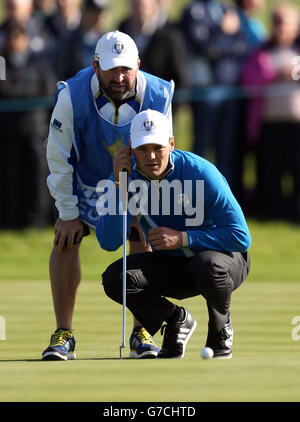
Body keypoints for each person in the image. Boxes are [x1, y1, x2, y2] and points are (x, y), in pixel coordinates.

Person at [42, 30, 174, 360]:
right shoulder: (71, 95)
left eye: (126, 69)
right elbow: (58, 156)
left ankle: (142, 330)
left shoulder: (159, 93)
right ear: (95, 65)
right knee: (65, 239)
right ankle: (64, 333)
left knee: (142, 237)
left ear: (138, 66)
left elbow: (162, 153)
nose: (120, 77)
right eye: (112, 69)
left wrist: (142, 201)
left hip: (134, 179)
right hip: (84, 181)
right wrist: (67, 211)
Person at [97, 109, 251, 359]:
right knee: (116, 278)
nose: (151, 156)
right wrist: (119, 184)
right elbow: (109, 241)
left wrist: (184, 238)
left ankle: (220, 329)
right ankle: (176, 320)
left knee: (206, 264)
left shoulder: (200, 172)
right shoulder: (125, 178)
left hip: (223, 262)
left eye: (158, 147)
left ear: (171, 144)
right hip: (174, 266)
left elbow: (240, 236)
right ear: (131, 150)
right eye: (142, 149)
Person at [241, 2, 300, 221]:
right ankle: (274, 212)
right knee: (271, 170)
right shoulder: (262, 53)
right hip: (269, 123)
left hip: (296, 123)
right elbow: (249, 80)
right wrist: (275, 76)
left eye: (284, 23)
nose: (280, 27)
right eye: (276, 22)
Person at [0, 22, 56, 228]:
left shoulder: (39, 63)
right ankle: (11, 223)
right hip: (8, 135)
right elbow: (4, 91)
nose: (15, 41)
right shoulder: (1, 63)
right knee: (11, 180)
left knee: (37, 181)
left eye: (19, 35)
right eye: (11, 36)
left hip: (35, 132)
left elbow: (50, 91)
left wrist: (22, 91)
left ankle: (36, 223)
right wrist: (30, 91)